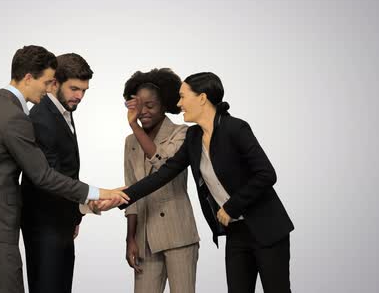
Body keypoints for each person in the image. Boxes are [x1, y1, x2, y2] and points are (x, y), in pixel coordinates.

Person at [0, 45, 128, 293]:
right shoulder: (15, 117)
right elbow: (42, 175)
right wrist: (98, 193)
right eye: (46, 82)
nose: (48, 88)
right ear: (28, 77)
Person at [114, 72, 294, 293]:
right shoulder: (193, 137)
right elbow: (164, 174)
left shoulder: (235, 128)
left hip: (266, 227)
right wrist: (120, 197)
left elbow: (266, 174)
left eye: (182, 97)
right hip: (235, 232)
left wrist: (231, 206)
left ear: (202, 98)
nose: (179, 104)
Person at [21, 53, 94, 293]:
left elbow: (67, 169)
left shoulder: (64, 111)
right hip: (45, 225)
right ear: (54, 83)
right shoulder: (41, 117)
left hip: (61, 222)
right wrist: (88, 201)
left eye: (84, 90)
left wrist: (74, 216)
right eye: (74, 89)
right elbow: (49, 178)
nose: (80, 96)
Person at [122, 68, 200, 293]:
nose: (143, 111)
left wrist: (134, 126)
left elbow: (163, 164)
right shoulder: (130, 142)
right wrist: (130, 239)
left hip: (178, 233)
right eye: (139, 105)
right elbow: (132, 192)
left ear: (165, 104)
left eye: (150, 105)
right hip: (145, 237)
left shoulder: (182, 133)